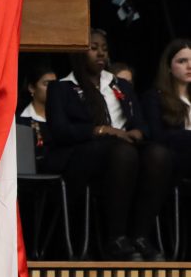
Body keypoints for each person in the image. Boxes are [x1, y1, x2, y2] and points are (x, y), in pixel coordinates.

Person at [45, 28, 172, 261]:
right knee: (123, 152)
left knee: (158, 154)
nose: (101, 53)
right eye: (93, 48)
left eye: (104, 48)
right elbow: (60, 131)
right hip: (83, 153)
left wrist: (139, 131)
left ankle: (140, 236)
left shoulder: (120, 85)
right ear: (78, 53)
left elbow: (141, 123)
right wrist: (101, 130)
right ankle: (116, 238)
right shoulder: (61, 88)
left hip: (123, 149)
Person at [141, 39, 191, 176]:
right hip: (177, 160)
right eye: (182, 61)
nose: (190, 66)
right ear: (168, 67)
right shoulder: (154, 97)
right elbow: (157, 136)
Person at [17, 59, 56, 168]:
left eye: (55, 85)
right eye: (46, 84)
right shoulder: (21, 120)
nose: (53, 89)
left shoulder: (63, 116)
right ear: (32, 88)